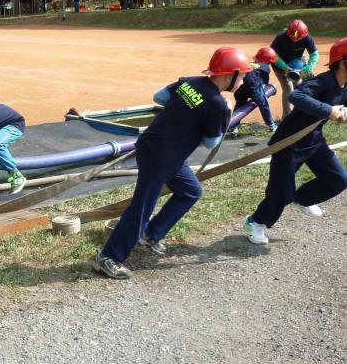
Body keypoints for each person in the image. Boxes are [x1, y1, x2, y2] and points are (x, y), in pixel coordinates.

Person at [93, 47, 252, 279]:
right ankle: (109, 258)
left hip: (157, 146)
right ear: (229, 76)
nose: (243, 81)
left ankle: (150, 234)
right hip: (162, 155)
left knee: (190, 191)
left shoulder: (190, 82)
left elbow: (159, 97)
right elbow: (211, 142)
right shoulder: (218, 104)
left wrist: (184, 113)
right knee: (142, 206)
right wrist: (226, 114)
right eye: (243, 76)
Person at [245, 38, 347, 244]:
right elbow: (297, 96)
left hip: (314, 142)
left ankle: (303, 199)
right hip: (289, 143)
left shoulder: (344, 86)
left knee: (339, 180)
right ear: (343, 62)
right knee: (282, 193)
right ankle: (256, 222)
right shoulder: (323, 81)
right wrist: (328, 110)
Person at [270, 19, 319, 119]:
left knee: (299, 87)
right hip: (280, 66)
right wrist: (284, 67)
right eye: (292, 38)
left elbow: (314, 54)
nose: (295, 40)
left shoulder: (307, 38)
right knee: (288, 88)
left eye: (298, 38)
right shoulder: (280, 38)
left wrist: (308, 68)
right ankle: (287, 118)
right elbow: (273, 55)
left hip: (297, 65)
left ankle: (298, 114)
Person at [232, 47, 278, 132]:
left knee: (239, 105)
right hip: (253, 87)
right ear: (269, 61)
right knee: (263, 104)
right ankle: (271, 125)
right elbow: (264, 81)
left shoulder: (251, 64)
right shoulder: (266, 67)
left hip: (239, 86)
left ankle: (233, 126)